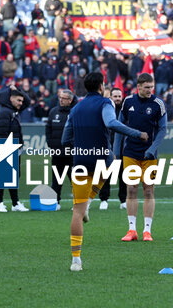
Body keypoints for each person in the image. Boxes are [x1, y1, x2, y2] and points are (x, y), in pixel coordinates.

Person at [61, 72, 145, 272]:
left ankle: (76, 260)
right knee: (112, 164)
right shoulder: (106, 103)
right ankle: (90, 199)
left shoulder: (76, 107)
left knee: (77, 212)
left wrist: (81, 145)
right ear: (101, 86)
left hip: (81, 161)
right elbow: (111, 123)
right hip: (101, 159)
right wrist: (136, 133)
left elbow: (65, 139)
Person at [116, 73, 167, 242]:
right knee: (131, 189)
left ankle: (147, 231)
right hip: (130, 152)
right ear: (138, 87)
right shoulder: (128, 102)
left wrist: (153, 148)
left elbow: (162, 129)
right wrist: (117, 152)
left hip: (149, 155)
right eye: (147, 87)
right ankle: (132, 230)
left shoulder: (158, 104)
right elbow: (119, 126)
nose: (150, 90)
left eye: (151, 87)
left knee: (148, 190)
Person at [0, 86, 29, 213]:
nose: (21, 103)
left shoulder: (13, 110)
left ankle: (15, 203)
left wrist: (18, 89)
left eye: (21, 101)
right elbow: (1, 132)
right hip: (6, 148)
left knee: (14, 176)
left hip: (15, 148)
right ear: (11, 99)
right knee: (3, 176)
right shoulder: (4, 112)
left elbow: (28, 101)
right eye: (18, 100)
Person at [97, 86, 128, 210]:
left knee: (123, 175)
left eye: (119, 96)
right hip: (107, 147)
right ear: (110, 97)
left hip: (122, 148)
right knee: (105, 174)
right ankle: (104, 199)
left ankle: (123, 200)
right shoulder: (105, 109)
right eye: (115, 96)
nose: (117, 98)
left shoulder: (126, 111)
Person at [45, 89, 75, 207]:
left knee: (75, 180)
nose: (61, 100)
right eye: (60, 98)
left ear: (70, 100)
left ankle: (77, 203)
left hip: (71, 154)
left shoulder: (75, 112)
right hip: (57, 153)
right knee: (57, 179)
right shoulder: (53, 111)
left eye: (64, 98)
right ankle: (55, 202)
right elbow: (48, 129)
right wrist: (50, 144)